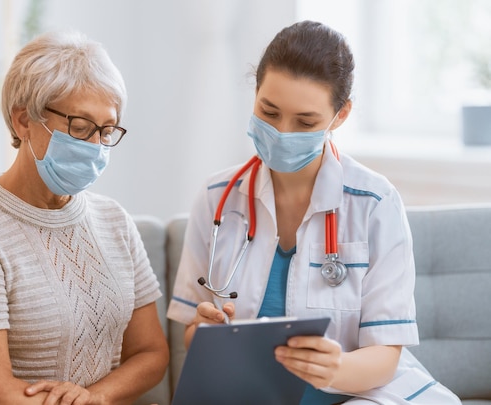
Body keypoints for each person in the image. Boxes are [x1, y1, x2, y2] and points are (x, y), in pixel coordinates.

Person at [167, 20, 460, 404]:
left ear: (340, 115)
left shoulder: (375, 204)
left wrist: (335, 369)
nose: (283, 132)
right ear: (255, 93)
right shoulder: (216, 198)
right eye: (268, 112)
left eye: (305, 122)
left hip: (355, 395)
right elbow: (194, 332)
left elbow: (386, 355)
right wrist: (204, 330)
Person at [0, 30, 169, 405]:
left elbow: (151, 354)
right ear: (23, 121)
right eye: (81, 128)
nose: (95, 147)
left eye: (106, 131)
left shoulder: (114, 221)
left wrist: (94, 396)